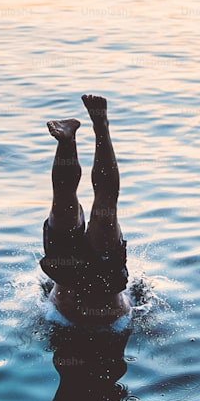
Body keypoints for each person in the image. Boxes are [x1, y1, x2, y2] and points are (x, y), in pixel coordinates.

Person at [40, 94, 132, 329]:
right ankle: (98, 128)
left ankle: (69, 139)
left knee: (74, 201)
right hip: (104, 297)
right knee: (103, 205)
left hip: (66, 294)